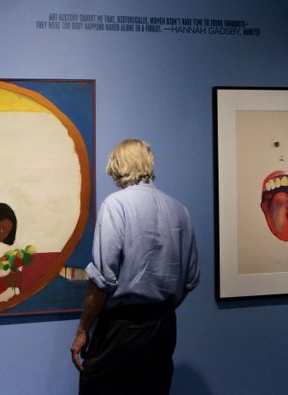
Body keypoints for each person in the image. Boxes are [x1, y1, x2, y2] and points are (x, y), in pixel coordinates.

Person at [70, 139, 200, 395]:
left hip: (122, 327)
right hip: (163, 326)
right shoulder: (180, 210)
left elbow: (103, 280)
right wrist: (159, 308)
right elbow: (190, 280)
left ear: (118, 166)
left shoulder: (115, 205)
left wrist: (83, 330)